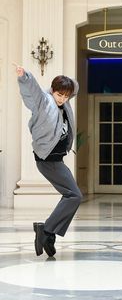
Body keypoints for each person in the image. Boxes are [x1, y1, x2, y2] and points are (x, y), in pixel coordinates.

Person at [15, 65, 82, 257]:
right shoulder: (44, 102)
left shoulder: (65, 104)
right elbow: (32, 93)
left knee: (71, 195)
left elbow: (74, 88)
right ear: (53, 91)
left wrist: (68, 84)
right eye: (59, 94)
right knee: (74, 195)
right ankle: (46, 231)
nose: (62, 99)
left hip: (57, 160)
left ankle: (49, 233)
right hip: (47, 160)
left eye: (66, 96)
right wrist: (25, 77)